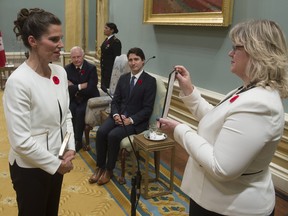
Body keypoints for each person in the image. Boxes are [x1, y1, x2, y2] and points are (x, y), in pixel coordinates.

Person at [158, 20, 288, 216]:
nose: (230, 53)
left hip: (231, 208)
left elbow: (222, 168)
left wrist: (180, 130)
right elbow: (216, 120)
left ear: (257, 50)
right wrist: (189, 90)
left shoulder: (259, 104)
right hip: (216, 200)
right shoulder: (248, 89)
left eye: (236, 47)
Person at [3, 8, 75, 216]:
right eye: (54, 39)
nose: (60, 45)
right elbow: (20, 141)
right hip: (30, 169)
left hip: (57, 159)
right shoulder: (18, 82)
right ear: (33, 41)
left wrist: (69, 145)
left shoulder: (60, 72)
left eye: (60, 38)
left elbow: (66, 115)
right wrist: (55, 165)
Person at [89, 47, 157, 185]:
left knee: (113, 135)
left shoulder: (150, 81)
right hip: (118, 116)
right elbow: (116, 100)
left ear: (143, 61)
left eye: (136, 59)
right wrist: (115, 115)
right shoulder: (124, 78)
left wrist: (130, 120)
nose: (133, 63)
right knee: (102, 132)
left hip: (135, 122)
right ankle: (100, 167)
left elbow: (147, 109)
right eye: (130, 60)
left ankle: (109, 170)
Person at [65, 46, 100, 152]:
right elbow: (66, 88)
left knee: (80, 112)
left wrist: (74, 86)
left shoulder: (91, 68)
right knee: (70, 109)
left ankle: (78, 141)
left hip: (88, 99)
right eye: (73, 57)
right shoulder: (67, 69)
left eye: (78, 57)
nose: (76, 60)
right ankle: (70, 138)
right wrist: (80, 86)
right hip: (74, 98)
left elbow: (90, 88)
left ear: (83, 56)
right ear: (70, 58)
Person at [100, 22, 122, 90]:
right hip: (105, 68)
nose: (104, 29)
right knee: (104, 87)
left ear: (112, 30)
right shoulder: (107, 40)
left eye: (106, 28)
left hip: (111, 69)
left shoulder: (115, 42)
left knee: (109, 88)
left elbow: (117, 57)